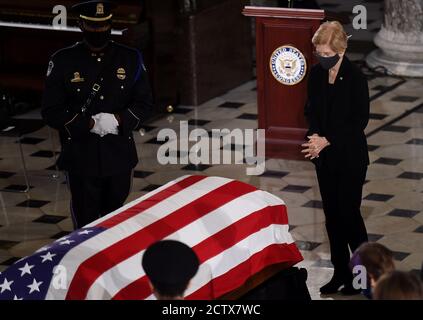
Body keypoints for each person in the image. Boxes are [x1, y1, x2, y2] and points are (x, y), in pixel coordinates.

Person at [42, 1, 153, 229]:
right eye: (93, 26)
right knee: (86, 221)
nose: (99, 31)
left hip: (119, 153)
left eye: (104, 26)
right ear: (81, 25)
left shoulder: (130, 58)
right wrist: (89, 123)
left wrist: (119, 120)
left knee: (115, 219)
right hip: (81, 154)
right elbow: (51, 110)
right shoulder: (63, 60)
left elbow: (145, 103)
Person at [302, 21, 370, 295]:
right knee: (331, 218)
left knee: (349, 215)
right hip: (325, 158)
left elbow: (359, 120)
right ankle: (340, 272)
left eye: (326, 53)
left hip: (350, 157)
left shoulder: (356, 78)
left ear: (340, 51)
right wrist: (315, 138)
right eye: (318, 52)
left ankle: (363, 276)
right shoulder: (317, 74)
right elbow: (311, 111)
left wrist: (327, 139)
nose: (321, 57)